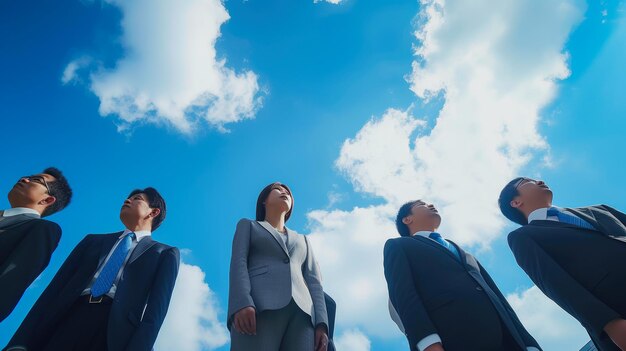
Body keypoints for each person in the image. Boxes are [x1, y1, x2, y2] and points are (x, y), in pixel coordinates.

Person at [4, 187, 179, 351]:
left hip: (114, 333)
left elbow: (155, 314)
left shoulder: (164, 253)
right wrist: (19, 342)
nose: (127, 200)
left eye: (137, 199)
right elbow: (53, 291)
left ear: (153, 212)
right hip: (67, 318)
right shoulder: (92, 241)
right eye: (128, 197)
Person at [384, 200, 541, 351]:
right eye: (421, 204)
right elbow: (403, 296)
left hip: (506, 340)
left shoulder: (462, 252)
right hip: (454, 339)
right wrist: (427, 343)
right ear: (407, 219)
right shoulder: (399, 246)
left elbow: (498, 298)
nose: (430, 205)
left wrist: (528, 343)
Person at [499, 177, 626, 351]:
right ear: (515, 202)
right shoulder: (524, 237)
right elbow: (558, 286)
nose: (539, 180)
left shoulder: (600, 209)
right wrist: (609, 324)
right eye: (526, 181)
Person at [228, 182, 329, 351]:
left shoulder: (303, 240)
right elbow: (238, 263)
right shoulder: (248, 225)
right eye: (278, 190)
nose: (285, 193)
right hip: (258, 307)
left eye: (287, 192)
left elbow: (315, 282)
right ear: (264, 201)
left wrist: (322, 324)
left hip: (303, 317)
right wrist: (242, 302)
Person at [0, 167, 72, 322]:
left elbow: (11, 283)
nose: (24, 179)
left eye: (37, 180)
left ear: (47, 200)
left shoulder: (42, 229)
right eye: (27, 176)